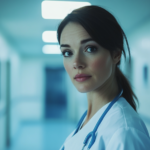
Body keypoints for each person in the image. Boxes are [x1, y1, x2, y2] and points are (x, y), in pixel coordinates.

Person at [57, 5, 150, 150]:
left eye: (90, 49)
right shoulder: (89, 118)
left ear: (116, 54)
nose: (76, 63)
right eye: (67, 52)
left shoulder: (124, 132)